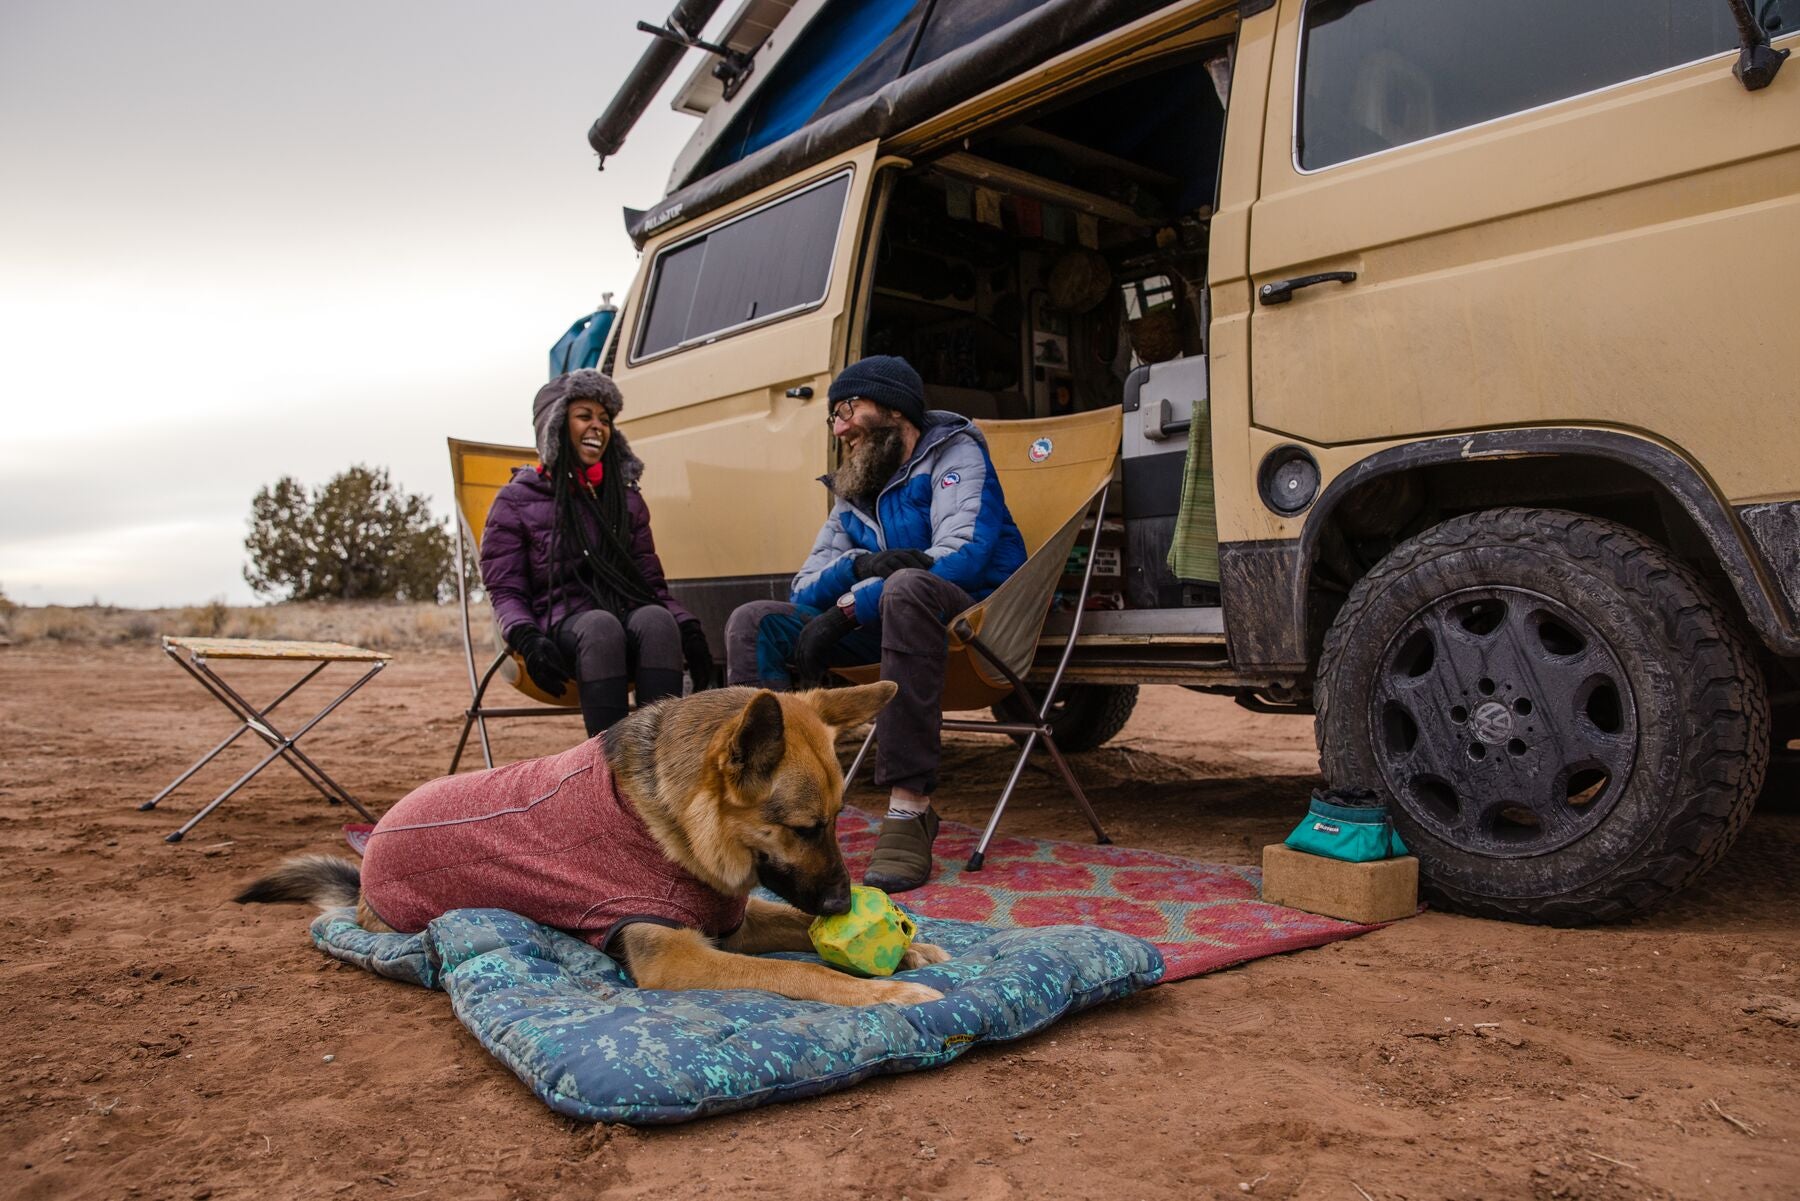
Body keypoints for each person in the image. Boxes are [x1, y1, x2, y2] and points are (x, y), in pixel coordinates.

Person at [724, 355, 1026, 892]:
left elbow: (964, 555)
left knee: (907, 589)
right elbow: (804, 585)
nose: (839, 428)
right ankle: (769, 797)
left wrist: (849, 607)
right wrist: (859, 567)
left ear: (893, 409)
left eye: (848, 409)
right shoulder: (855, 489)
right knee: (756, 621)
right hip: (896, 620)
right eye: (833, 417)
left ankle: (910, 810)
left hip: (974, 620)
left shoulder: (956, 454)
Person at [482, 370, 713, 736]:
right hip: (559, 629)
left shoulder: (624, 500)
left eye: (605, 420)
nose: (598, 427)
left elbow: (649, 584)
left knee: (656, 620)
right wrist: (527, 638)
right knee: (599, 626)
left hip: (624, 618)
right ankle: (607, 773)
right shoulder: (516, 500)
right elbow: (505, 589)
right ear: (556, 425)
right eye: (584, 416)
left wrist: (689, 630)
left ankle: (661, 765)